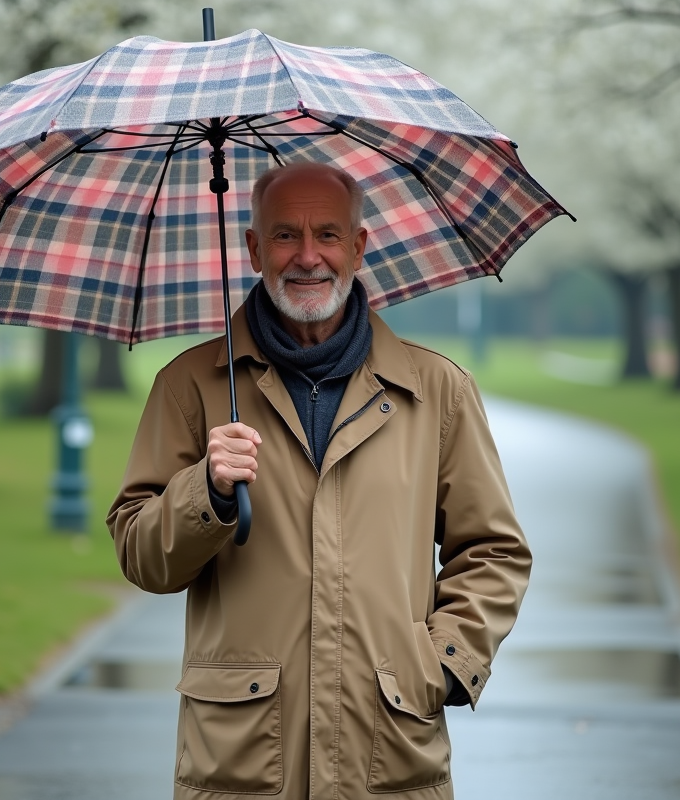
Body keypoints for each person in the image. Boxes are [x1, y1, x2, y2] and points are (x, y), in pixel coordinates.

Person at [106, 162, 530, 800]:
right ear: (252, 249)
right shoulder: (190, 387)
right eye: (284, 236)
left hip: (388, 754)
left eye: (327, 235)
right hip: (241, 763)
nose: (308, 257)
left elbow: (493, 553)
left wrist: (442, 664)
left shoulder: (436, 390)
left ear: (359, 247)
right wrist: (207, 492)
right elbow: (141, 555)